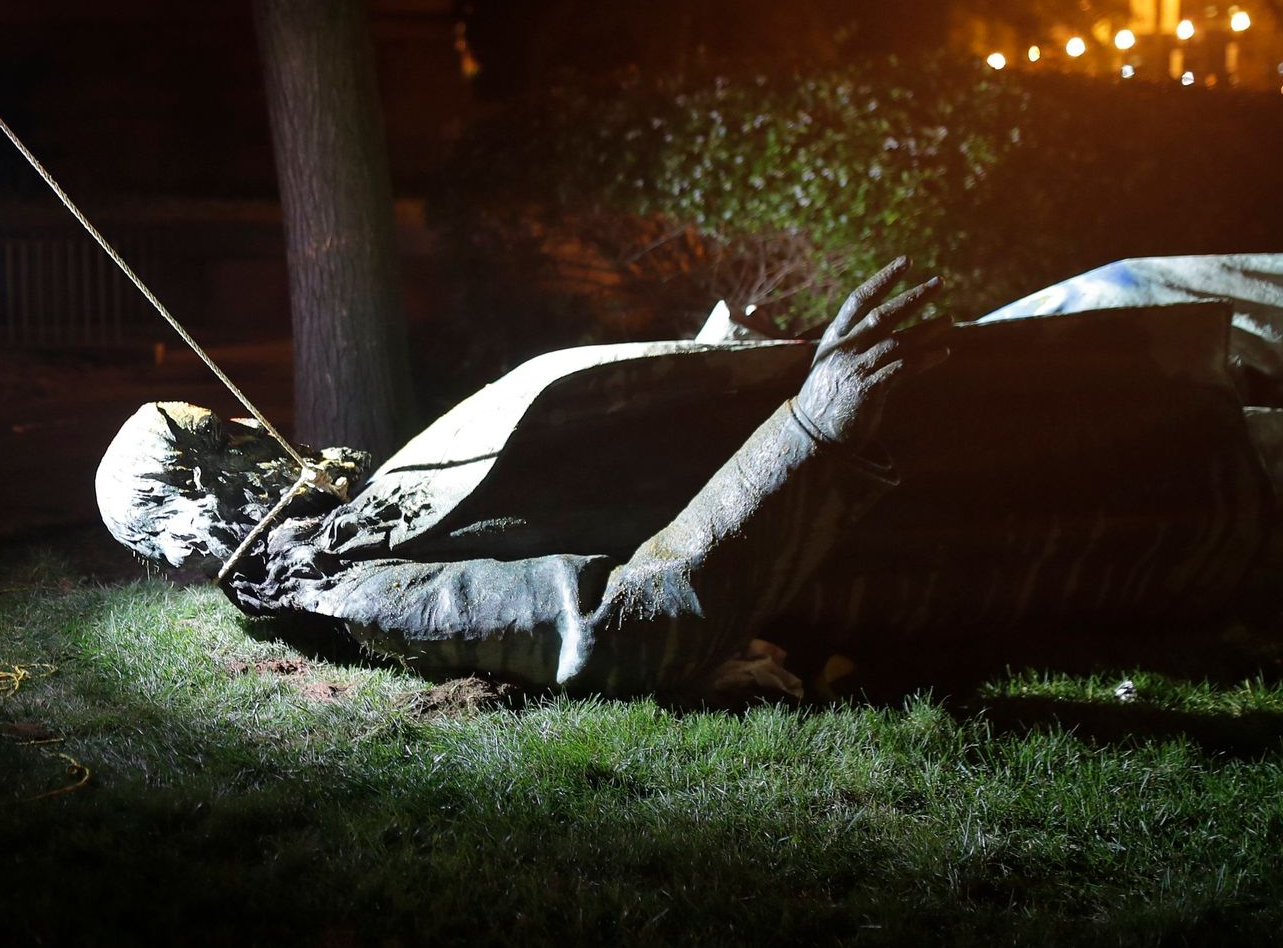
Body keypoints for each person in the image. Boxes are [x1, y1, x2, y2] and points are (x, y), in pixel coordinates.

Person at [95, 256, 1283, 701]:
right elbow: (618, 626)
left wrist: (708, 370)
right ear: (190, 510)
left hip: (966, 423)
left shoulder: (362, 507)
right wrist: (808, 425)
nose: (260, 432)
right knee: (1206, 431)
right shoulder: (351, 582)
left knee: (1128, 290)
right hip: (957, 507)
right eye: (223, 441)